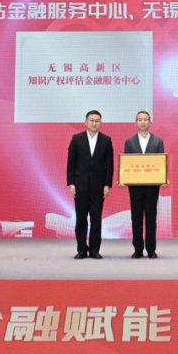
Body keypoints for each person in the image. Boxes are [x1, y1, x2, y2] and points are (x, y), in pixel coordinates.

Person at [67, 110, 113, 259]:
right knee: (81, 218)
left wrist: (107, 184)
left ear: (100, 123)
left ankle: (94, 250)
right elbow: (71, 163)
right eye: (91, 120)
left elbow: (109, 165)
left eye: (97, 121)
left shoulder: (106, 140)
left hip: (98, 186)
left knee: (96, 219)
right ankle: (81, 249)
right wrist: (71, 183)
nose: (94, 123)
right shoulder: (76, 139)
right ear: (86, 122)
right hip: (80, 185)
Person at [123, 111, 165, 259]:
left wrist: (163, 178)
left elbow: (161, 163)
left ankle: (151, 249)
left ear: (149, 122)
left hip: (152, 186)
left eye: (145, 119)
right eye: (140, 119)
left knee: (151, 218)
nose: (142, 122)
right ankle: (138, 249)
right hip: (135, 186)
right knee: (136, 218)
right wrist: (123, 178)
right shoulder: (129, 142)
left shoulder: (158, 141)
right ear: (136, 123)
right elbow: (126, 163)